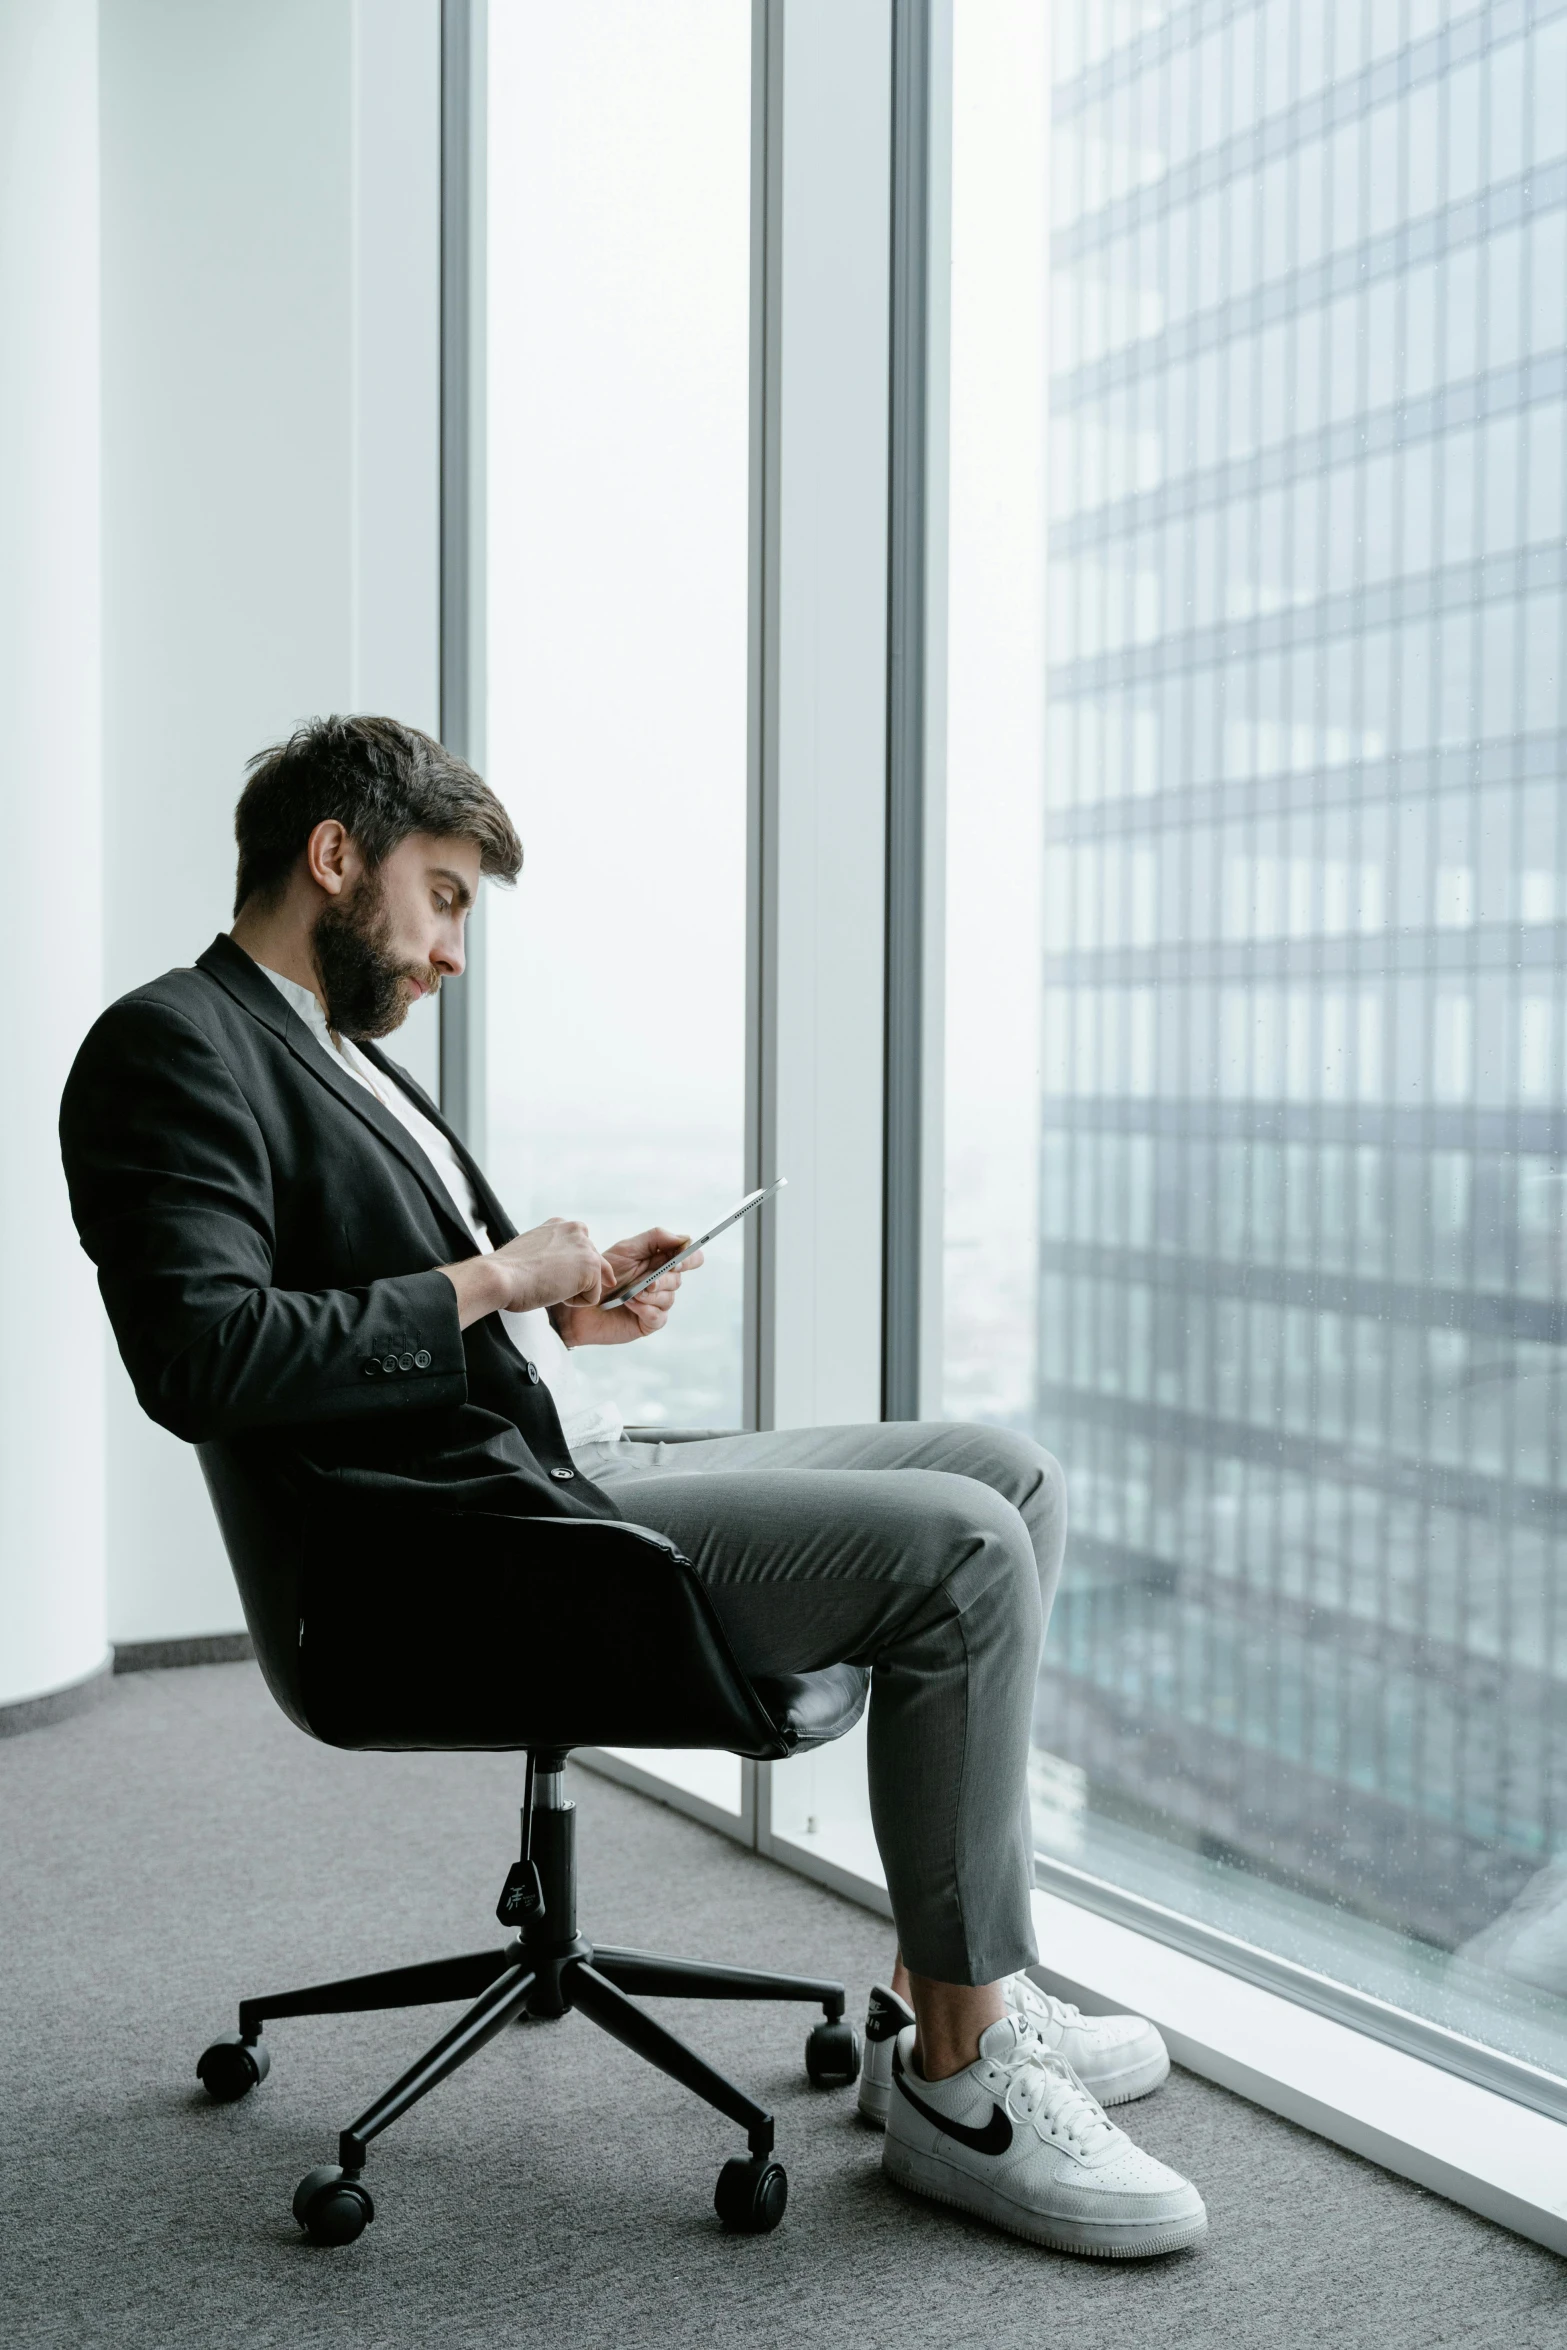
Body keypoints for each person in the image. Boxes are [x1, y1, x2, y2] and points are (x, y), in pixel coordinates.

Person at [59, 715, 1206, 2260]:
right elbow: (203, 1357)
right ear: (335, 857)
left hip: (524, 1466)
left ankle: (949, 1985)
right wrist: (487, 1276)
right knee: (961, 1551)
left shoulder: (332, 1052)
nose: (455, 948)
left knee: (1006, 1469)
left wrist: (563, 1302)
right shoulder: (174, 1043)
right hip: (437, 1547)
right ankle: (957, 2081)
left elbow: (399, 1315)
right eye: (446, 892)